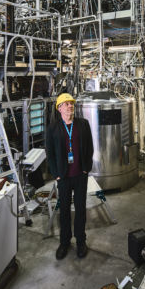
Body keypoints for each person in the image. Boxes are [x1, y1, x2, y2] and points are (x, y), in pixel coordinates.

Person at [45, 93, 94, 260]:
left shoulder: (83, 124)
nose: (70, 106)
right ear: (59, 108)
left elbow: (90, 148)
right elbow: (49, 153)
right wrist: (56, 174)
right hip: (64, 177)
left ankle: (81, 241)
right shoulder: (53, 128)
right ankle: (64, 242)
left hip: (80, 175)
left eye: (71, 104)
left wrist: (87, 168)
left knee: (80, 209)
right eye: (66, 104)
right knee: (64, 210)